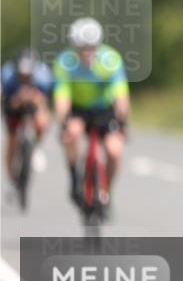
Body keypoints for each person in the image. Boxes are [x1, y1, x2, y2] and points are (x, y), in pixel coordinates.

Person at [52, 17, 130, 209]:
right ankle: (74, 179)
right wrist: (63, 123)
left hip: (104, 109)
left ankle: (106, 191)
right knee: (73, 133)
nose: (87, 52)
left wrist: (122, 123)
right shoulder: (65, 62)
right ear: (74, 46)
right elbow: (62, 97)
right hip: (79, 109)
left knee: (114, 150)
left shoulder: (110, 60)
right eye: (82, 48)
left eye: (92, 47)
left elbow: (121, 95)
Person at [1, 49, 54, 183]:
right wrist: (17, 100)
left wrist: (34, 99)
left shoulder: (43, 76)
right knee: (12, 140)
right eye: (21, 75)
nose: (25, 79)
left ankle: (37, 147)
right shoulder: (6, 75)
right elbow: (5, 103)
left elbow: (45, 102)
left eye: (28, 76)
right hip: (13, 104)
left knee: (42, 121)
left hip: (34, 104)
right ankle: (10, 177)